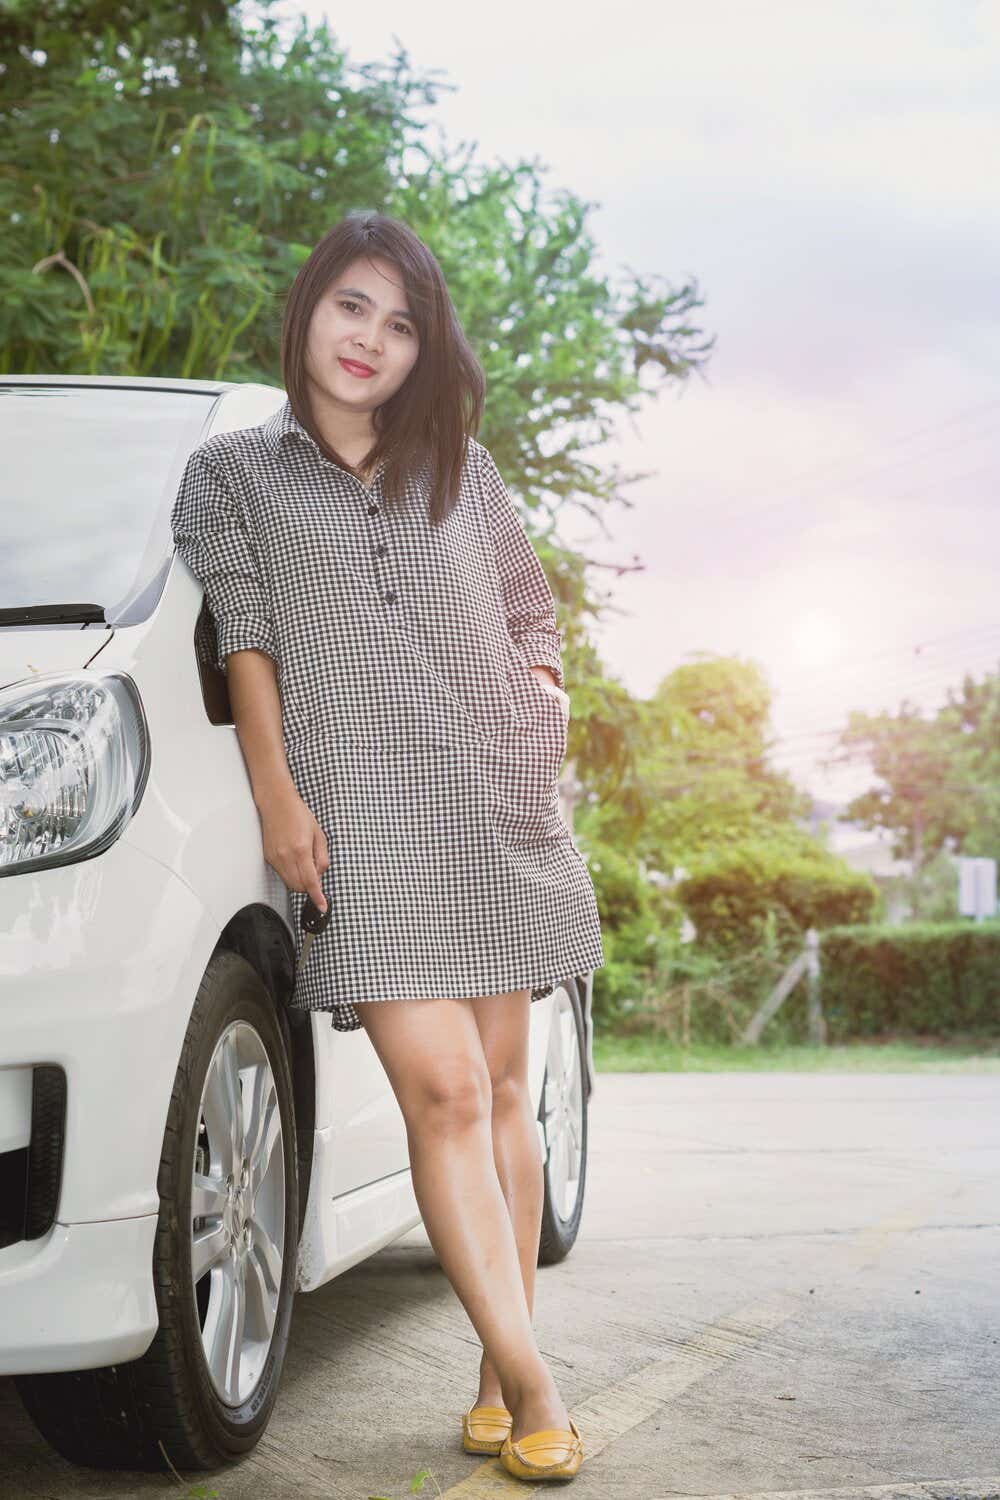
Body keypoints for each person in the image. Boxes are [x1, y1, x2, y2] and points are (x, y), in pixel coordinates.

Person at [170, 210, 603, 1483]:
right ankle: (534, 1381)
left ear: (425, 352)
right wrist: (274, 792)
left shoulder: (457, 466)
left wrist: (545, 689)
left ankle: (490, 1358)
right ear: (309, 310)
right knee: (448, 1092)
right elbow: (246, 636)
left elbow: (533, 610)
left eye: (402, 324)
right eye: (352, 306)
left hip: (497, 805)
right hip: (361, 814)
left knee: (509, 1095)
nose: (371, 340)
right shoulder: (234, 477)